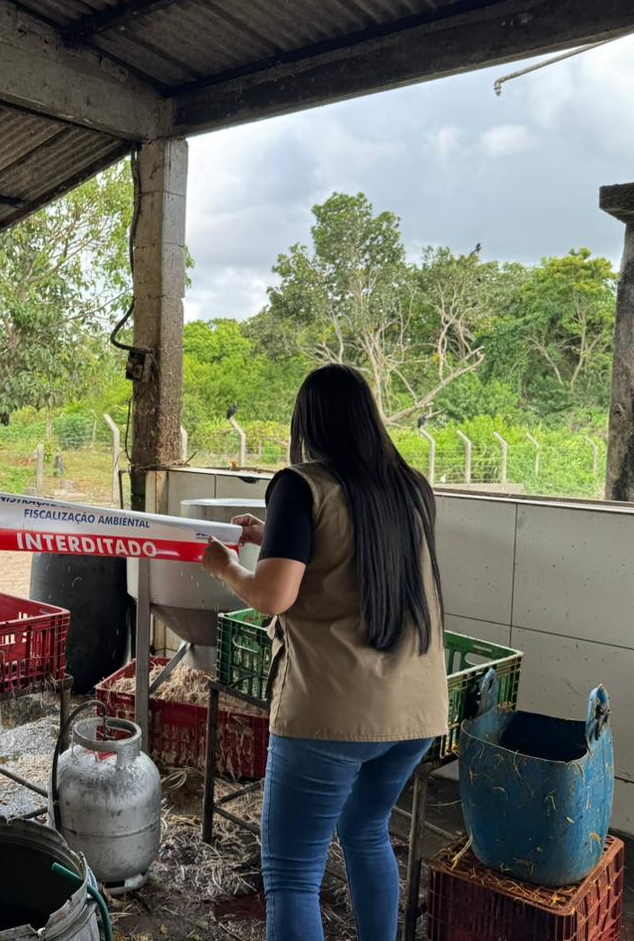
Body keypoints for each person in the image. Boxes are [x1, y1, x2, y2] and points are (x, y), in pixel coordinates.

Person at [201, 364, 449, 941]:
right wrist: (275, 533)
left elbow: (273, 596)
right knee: (366, 831)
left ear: (307, 423)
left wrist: (226, 566)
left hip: (332, 714)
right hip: (417, 712)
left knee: (292, 873)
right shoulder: (409, 485)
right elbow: (358, 548)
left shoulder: (299, 484)